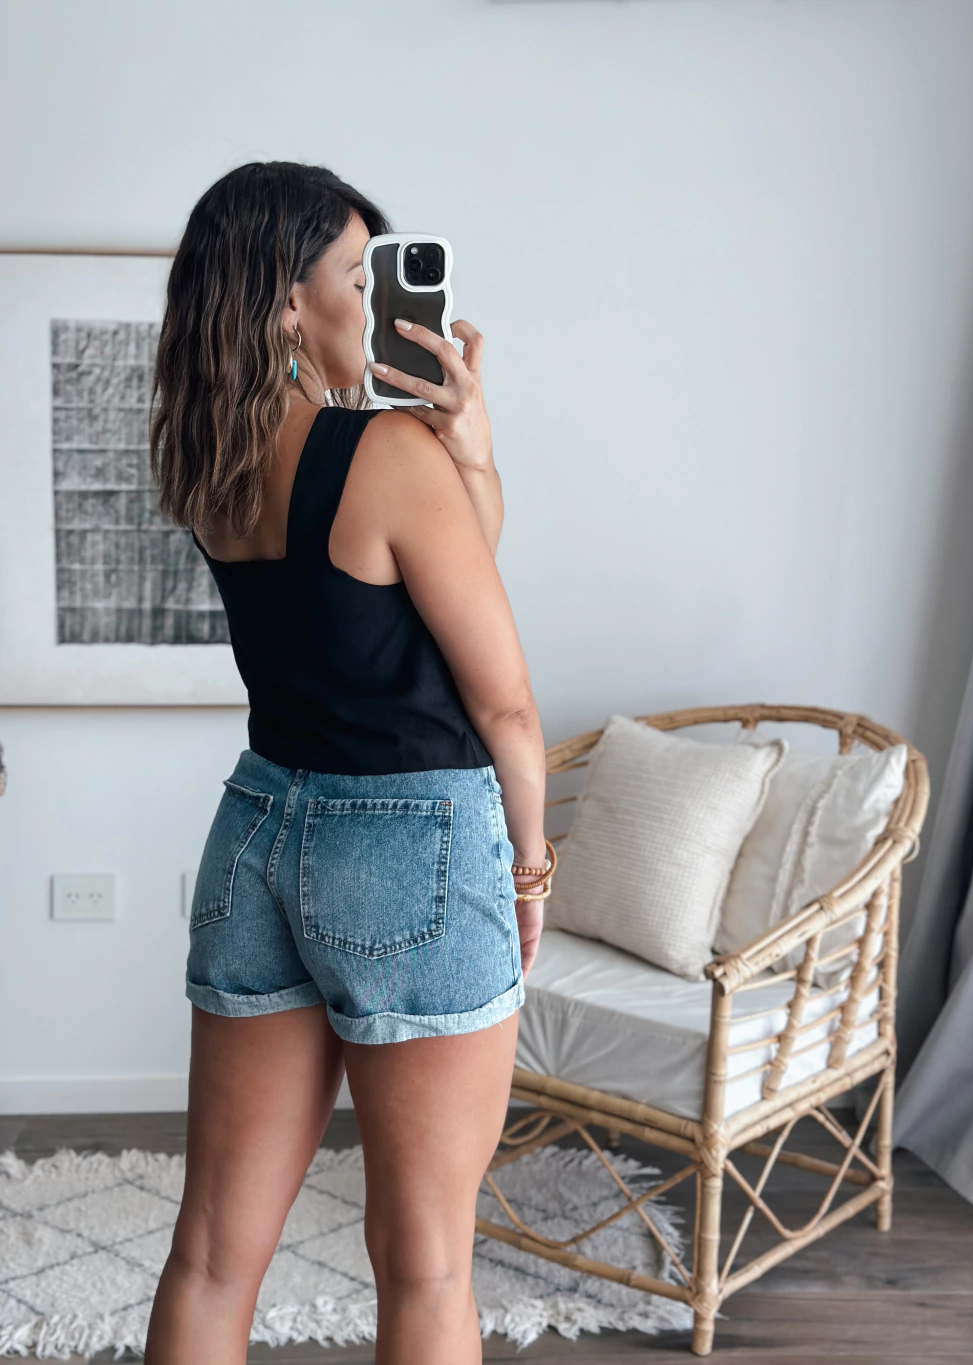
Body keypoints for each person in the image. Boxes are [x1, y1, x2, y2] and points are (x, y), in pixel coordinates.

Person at [144, 161, 551, 1365]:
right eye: (355, 277)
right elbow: (505, 701)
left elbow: (425, 582)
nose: (372, 301)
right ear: (289, 301)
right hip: (412, 849)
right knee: (425, 1265)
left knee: (212, 1253)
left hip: (259, 830)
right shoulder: (381, 454)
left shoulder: (208, 459)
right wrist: (531, 868)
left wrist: (468, 446)